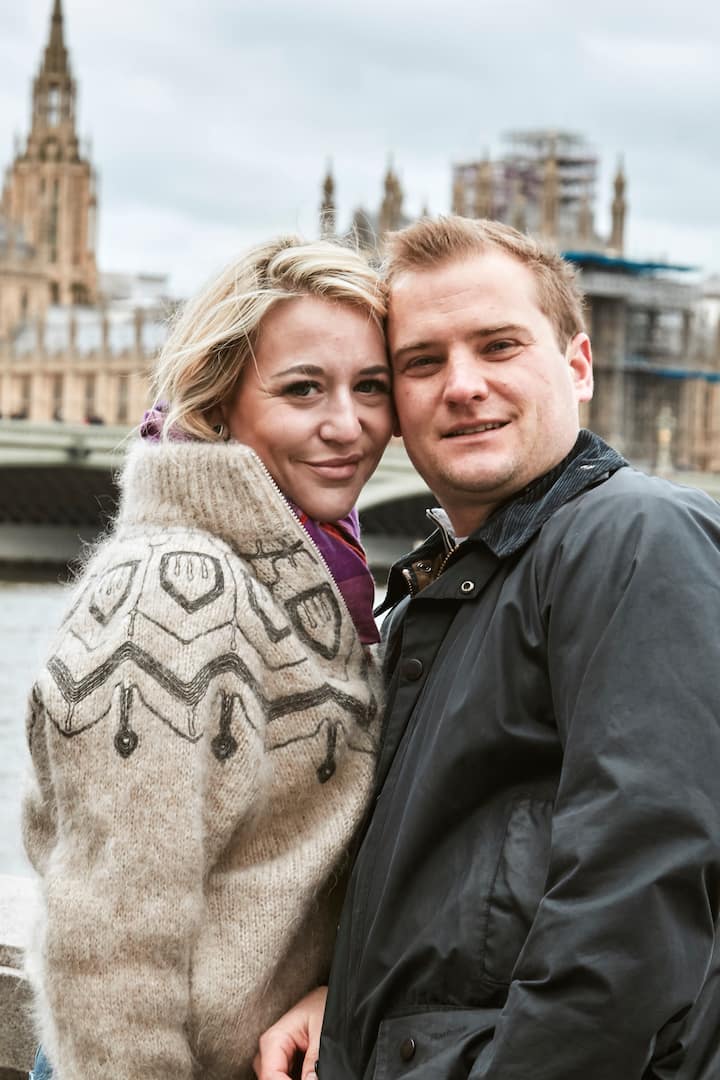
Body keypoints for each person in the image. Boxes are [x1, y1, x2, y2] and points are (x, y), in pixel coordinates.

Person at [256, 216, 720, 1080]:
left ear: (577, 366)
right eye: (422, 362)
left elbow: (631, 909)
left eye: (499, 346)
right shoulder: (447, 589)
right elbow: (462, 891)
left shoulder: (631, 536)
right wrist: (349, 1005)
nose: (463, 385)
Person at [22, 235, 394, 1080]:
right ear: (219, 401)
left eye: (370, 387)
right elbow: (110, 943)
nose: (348, 424)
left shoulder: (310, 577)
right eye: (302, 389)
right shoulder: (175, 589)